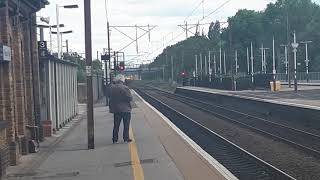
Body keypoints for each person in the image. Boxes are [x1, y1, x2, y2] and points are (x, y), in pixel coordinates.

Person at [109, 74, 133, 144]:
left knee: (116, 125)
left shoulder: (112, 88)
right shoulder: (125, 88)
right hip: (126, 109)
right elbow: (130, 98)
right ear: (122, 80)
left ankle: (115, 139)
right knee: (126, 125)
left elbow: (109, 96)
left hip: (116, 109)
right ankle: (126, 138)